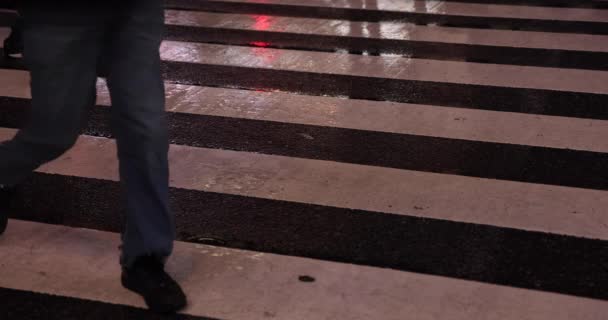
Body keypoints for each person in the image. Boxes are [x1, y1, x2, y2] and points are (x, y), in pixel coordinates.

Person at [0, 0, 187, 313]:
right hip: (58, 16)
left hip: (134, 12)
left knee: (146, 130)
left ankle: (146, 257)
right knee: (54, 131)